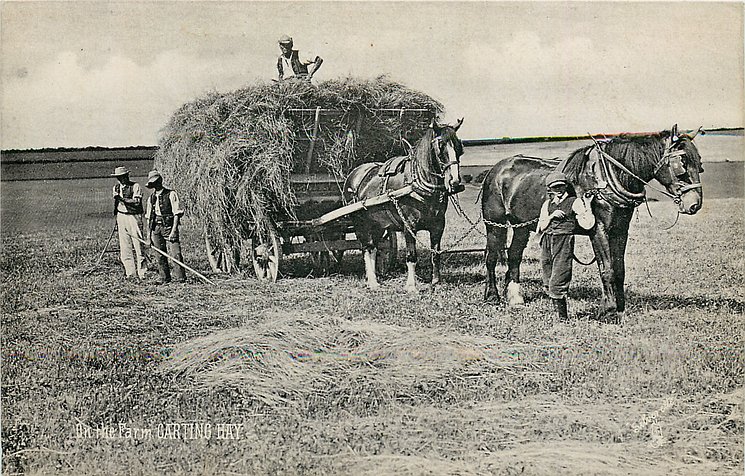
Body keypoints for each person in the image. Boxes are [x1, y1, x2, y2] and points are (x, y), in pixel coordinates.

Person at [536, 171, 595, 320]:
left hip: (563, 240)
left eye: (561, 186)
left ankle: (563, 318)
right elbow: (542, 226)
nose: (559, 190)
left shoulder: (574, 202)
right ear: (550, 189)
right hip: (547, 240)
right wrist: (552, 216)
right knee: (547, 276)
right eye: (555, 187)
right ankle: (555, 313)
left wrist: (587, 205)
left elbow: (587, 224)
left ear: (566, 186)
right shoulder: (547, 204)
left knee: (559, 277)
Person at [144, 170, 186, 284]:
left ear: (160, 181)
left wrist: (174, 230)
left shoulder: (171, 194)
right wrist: (148, 237)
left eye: (157, 182)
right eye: (153, 183)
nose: (156, 185)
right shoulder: (151, 198)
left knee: (176, 253)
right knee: (159, 254)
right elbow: (149, 218)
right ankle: (164, 278)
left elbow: (176, 214)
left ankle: (180, 278)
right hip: (156, 228)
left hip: (168, 226)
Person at [111, 166, 146, 279]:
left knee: (138, 244)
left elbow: (136, 202)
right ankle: (130, 273)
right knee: (125, 246)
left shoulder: (135, 186)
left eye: (123, 176)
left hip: (133, 216)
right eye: (119, 177)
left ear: (127, 176)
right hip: (121, 216)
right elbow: (117, 204)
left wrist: (121, 199)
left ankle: (143, 273)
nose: (121, 179)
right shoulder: (116, 187)